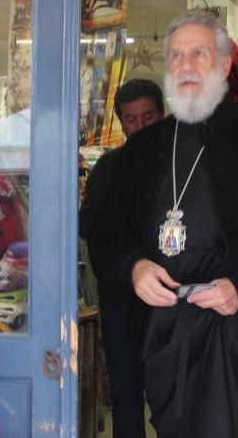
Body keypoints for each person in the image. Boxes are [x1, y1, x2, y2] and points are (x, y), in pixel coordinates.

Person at [88, 11, 238, 437]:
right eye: (176, 56)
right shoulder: (142, 151)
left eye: (199, 53)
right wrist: (133, 266)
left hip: (234, 322)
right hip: (161, 327)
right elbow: (105, 227)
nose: (186, 66)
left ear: (225, 64)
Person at [80, 78, 165, 438]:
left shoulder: (181, 165)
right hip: (119, 300)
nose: (140, 126)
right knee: (127, 396)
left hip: (170, 300)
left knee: (171, 395)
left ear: (162, 115)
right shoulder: (107, 170)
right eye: (131, 119)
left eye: (148, 117)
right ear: (120, 121)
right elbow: (91, 228)